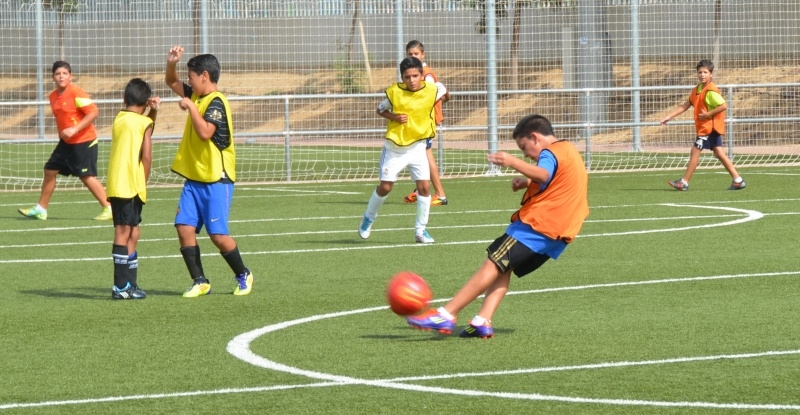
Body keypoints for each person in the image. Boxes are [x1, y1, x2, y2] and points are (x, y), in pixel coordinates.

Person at [406, 114, 589, 338]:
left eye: (524, 148)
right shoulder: (569, 150)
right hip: (561, 230)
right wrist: (526, 182)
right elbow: (556, 180)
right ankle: (482, 320)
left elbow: (544, 174)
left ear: (535, 137)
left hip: (539, 225)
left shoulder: (549, 152)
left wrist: (513, 162)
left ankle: (446, 314)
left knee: (493, 263)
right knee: (504, 266)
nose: (526, 155)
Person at [164, 45, 253, 297]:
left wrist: (190, 108)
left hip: (217, 178)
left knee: (218, 235)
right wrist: (172, 62)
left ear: (204, 75)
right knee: (183, 227)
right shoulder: (196, 95)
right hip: (195, 177)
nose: (188, 81)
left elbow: (205, 133)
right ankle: (200, 281)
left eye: (191, 76)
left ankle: (243, 273)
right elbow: (171, 80)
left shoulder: (216, 102)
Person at [358, 56, 447, 244]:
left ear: (422, 75)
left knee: (424, 187)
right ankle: (369, 217)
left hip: (418, 147)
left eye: (415, 76)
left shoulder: (432, 89)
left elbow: (444, 93)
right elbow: (380, 109)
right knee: (386, 187)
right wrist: (394, 117)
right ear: (402, 78)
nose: (412, 80)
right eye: (407, 77)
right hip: (395, 149)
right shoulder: (394, 93)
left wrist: (441, 102)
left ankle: (420, 231)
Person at [18, 61, 112, 221]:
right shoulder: (53, 96)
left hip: (84, 140)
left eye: (65, 73)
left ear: (70, 76)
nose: (61, 76)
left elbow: (94, 112)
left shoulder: (77, 92)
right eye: (57, 74)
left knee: (86, 176)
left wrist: (75, 129)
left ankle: (109, 208)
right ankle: (41, 209)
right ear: (53, 77)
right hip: (66, 143)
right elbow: (62, 119)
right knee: (49, 171)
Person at [106, 78, 160, 300]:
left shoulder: (120, 118)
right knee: (123, 232)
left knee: (133, 232)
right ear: (147, 101)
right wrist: (143, 181)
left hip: (118, 183)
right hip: (130, 184)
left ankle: (130, 284)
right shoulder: (141, 124)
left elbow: (143, 128)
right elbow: (146, 156)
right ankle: (120, 287)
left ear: (124, 98)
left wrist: (151, 113)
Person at [660, 59, 745, 191]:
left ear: (711, 74)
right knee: (718, 152)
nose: (702, 75)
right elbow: (685, 105)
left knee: (695, 151)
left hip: (709, 128)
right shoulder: (697, 89)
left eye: (705, 72)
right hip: (708, 127)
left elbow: (724, 105)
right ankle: (738, 180)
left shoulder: (711, 91)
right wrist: (669, 117)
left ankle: (684, 182)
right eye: (700, 72)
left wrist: (707, 114)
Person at [402, 40, 451, 206]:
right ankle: (420, 190)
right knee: (415, 154)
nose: (413, 56)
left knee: (426, 155)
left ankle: (440, 194)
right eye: (410, 54)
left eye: (416, 54)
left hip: (425, 122)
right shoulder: (414, 73)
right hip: (418, 122)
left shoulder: (426, 74)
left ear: (423, 55)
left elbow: (433, 93)